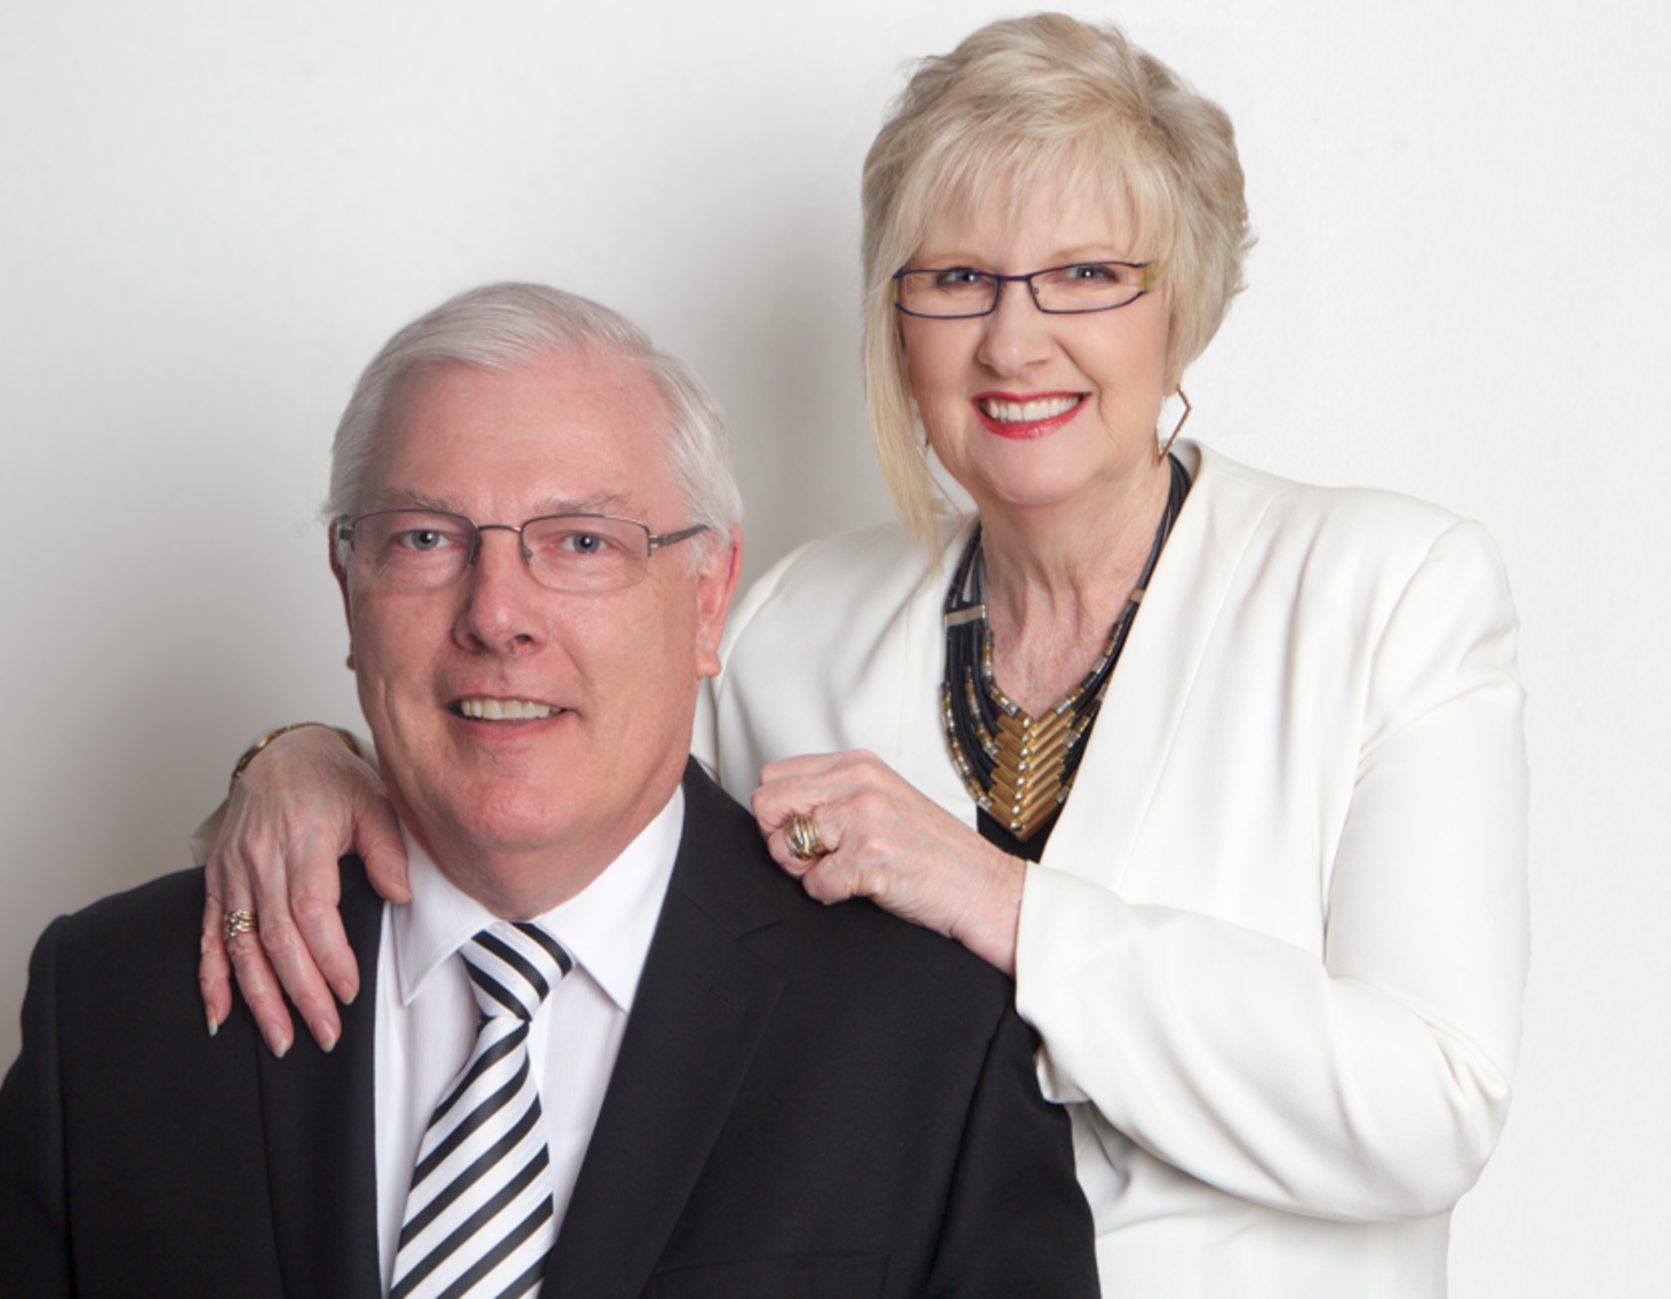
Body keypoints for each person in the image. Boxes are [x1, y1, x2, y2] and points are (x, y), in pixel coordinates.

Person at [194, 15, 1529, 1299]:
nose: (1014, 339)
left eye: (1085, 273)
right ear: (900, 320)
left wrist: (1000, 904)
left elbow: (1433, 1106)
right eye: (954, 279)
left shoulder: (1386, 592)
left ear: (1181, 303)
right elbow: (571, 845)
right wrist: (305, 755)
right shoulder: (790, 619)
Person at [0, 283, 1099, 1298]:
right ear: (348, 586)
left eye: (581, 542)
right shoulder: (112, 1014)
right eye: (426, 539)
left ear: (706, 598)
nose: (496, 616)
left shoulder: (926, 1038)